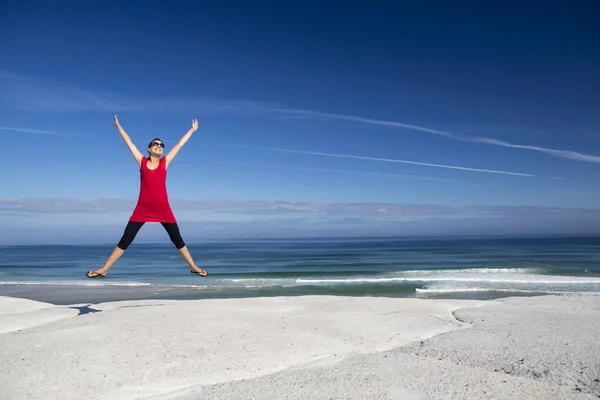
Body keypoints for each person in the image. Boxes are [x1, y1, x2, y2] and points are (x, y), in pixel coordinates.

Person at [86, 115, 208, 278]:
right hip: (142, 208)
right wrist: (118, 127)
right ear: (149, 149)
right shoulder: (142, 161)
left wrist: (192, 130)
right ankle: (105, 269)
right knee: (126, 238)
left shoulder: (165, 162)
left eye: (161, 145)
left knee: (176, 238)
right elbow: (129, 142)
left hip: (163, 208)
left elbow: (179, 145)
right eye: (155, 144)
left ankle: (193, 266)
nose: (159, 146)